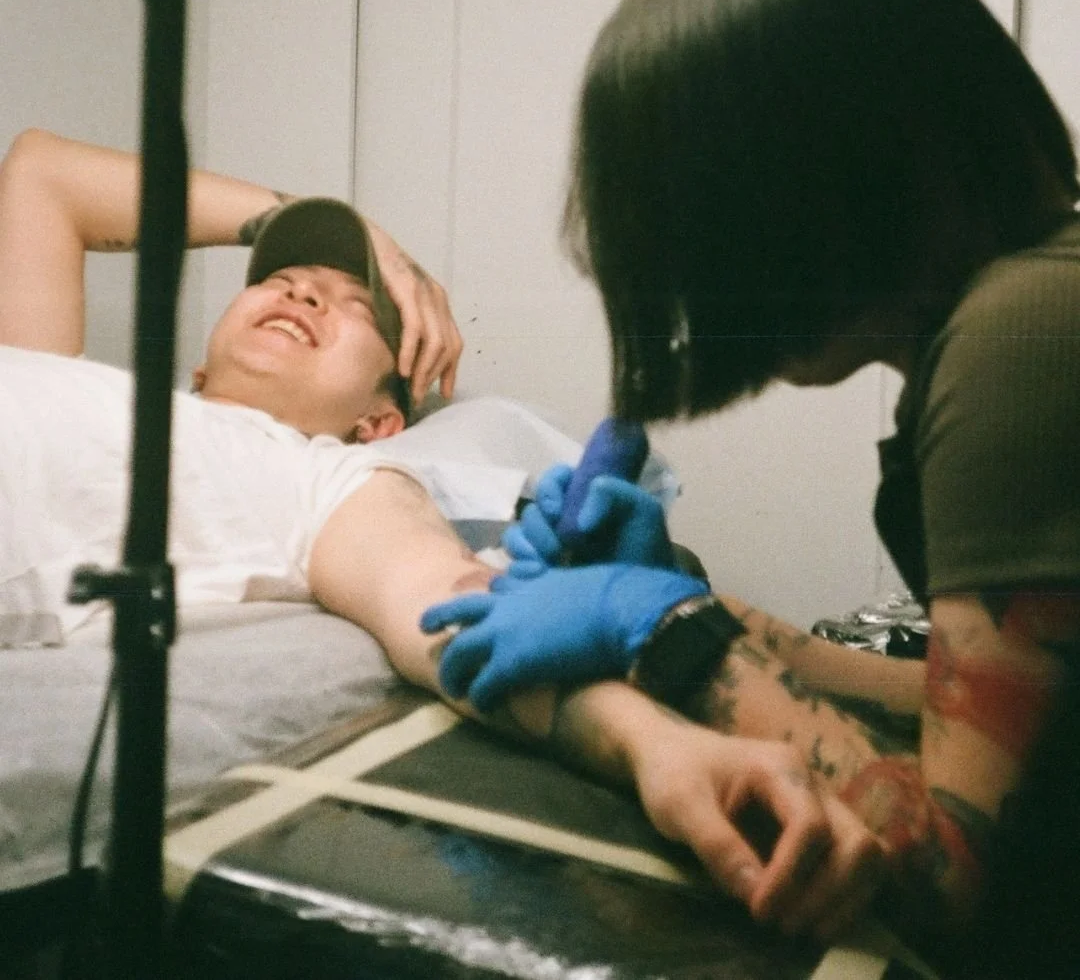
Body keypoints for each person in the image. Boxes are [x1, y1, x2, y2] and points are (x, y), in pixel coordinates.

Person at [0, 125, 882, 942]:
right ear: (200, 363)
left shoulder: (323, 480)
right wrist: (333, 225)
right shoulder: (61, 375)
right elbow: (42, 173)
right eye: (281, 281)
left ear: (381, 420)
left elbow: (454, 615)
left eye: (355, 306)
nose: (303, 288)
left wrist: (659, 748)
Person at [420, 0, 1080, 973]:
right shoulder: (1029, 302)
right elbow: (1010, 730)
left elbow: (954, 875)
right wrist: (700, 606)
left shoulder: (1022, 337)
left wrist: (664, 633)